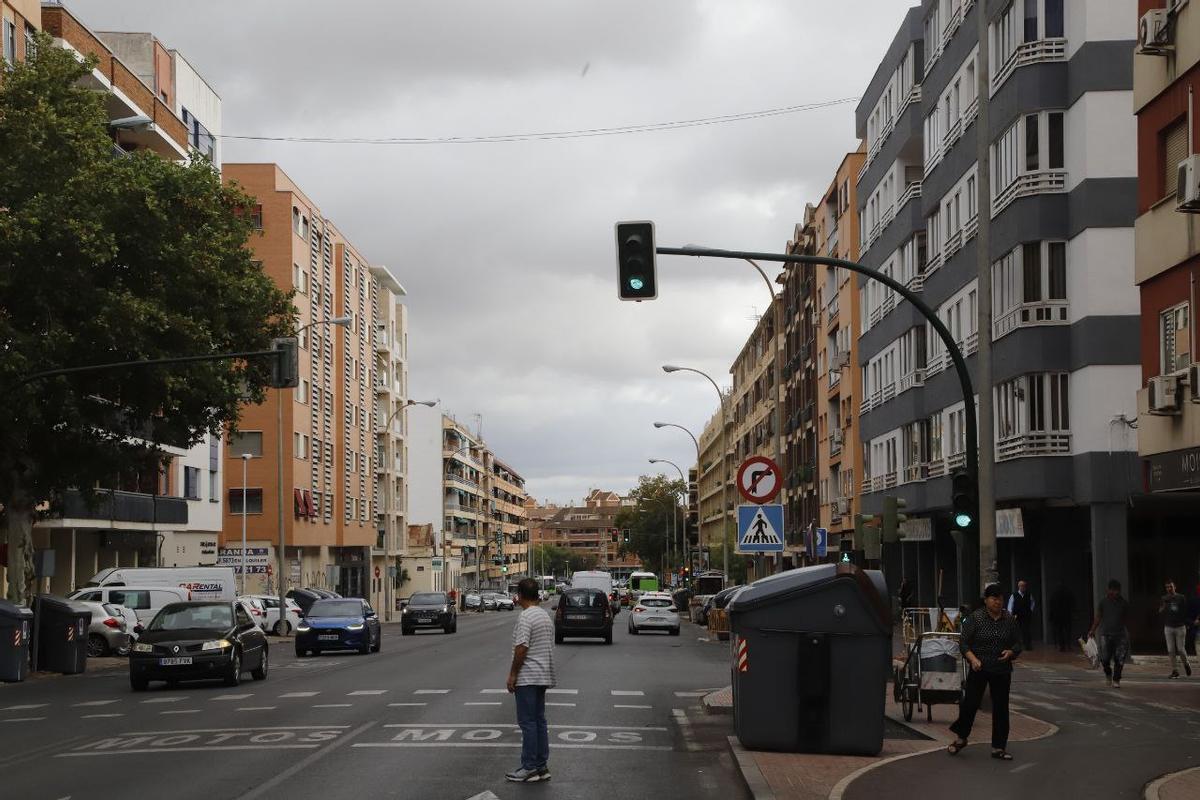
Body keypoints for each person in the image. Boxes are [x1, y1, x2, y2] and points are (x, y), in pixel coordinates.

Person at [947, 583, 1022, 761]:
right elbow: (964, 643)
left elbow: (1018, 643)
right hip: (979, 667)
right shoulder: (976, 618)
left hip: (1001, 668)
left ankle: (998, 747)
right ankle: (961, 738)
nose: (998, 602)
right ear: (986, 600)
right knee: (970, 704)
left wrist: (1011, 652)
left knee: (1001, 708)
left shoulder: (1009, 619)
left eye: (1000, 599)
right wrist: (973, 659)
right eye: (994, 599)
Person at [506, 577, 557, 783]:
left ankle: (529, 767)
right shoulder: (544, 615)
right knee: (539, 721)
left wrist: (513, 675)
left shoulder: (526, 617)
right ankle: (541, 766)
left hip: (527, 676)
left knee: (527, 722)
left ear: (520, 595)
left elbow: (521, 648)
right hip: (543, 674)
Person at [1088, 579, 1130, 689]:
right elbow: (1098, 617)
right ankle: (1108, 673)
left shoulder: (1124, 603)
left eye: (1116, 591)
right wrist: (1092, 630)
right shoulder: (1103, 602)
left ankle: (1116, 679)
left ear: (1119, 591)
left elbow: (1128, 619)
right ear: (1108, 590)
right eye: (1112, 590)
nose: (1114, 593)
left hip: (1120, 635)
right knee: (1105, 658)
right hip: (1105, 634)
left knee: (1119, 658)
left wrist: (1127, 633)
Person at [1160, 580, 1193, 678]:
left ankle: (1186, 663)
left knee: (1180, 649)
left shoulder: (1181, 597)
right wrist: (1163, 606)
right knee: (1171, 650)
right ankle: (1175, 670)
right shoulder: (1164, 598)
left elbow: (1186, 611)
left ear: (1175, 587)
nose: (1169, 589)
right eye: (1167, 587)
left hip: (1180, 627)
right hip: (1168, 627)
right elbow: (1160, 611)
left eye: (1171, 586)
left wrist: (1187, 623)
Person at [1007, 579, 1036, 651]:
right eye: (1021, 586)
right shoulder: (1014, 595)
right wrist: (1011, 614)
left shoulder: (1029, 595)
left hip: (1026, 615)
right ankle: (1017, 646)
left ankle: (1027, 645)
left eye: (1024, 586)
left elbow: (1032, 603)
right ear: (1018, 586)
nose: (1023, 587)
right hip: (1017, 616)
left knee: (1026, 630)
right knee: (1016, 631)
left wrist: (1030, 610)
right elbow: (1010, 605)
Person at [1049, 584, 1074, 653]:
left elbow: (1051, 606)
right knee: (1067, 631)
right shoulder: (1068, 593)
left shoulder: (1054, 594)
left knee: (1059, 631)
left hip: (1057, 616)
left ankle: (1062, 646)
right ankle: (1068, 645)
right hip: (1067, 615)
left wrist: (1051, 616)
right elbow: (1072, 603)